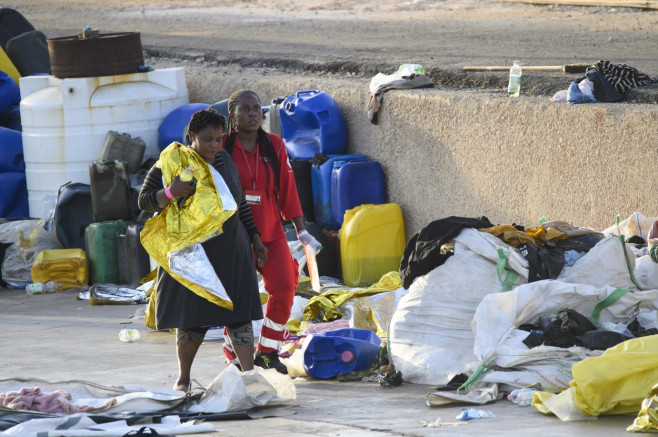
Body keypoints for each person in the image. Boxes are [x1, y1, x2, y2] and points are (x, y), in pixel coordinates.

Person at [138, 108, 267, 392]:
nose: (214, 145)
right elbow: (144, 201)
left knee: (239, 314)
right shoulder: (172, 162)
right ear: (191, 136)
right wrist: (171, 192)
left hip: (231, 248)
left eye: (219, 139)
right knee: (191, 318)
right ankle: (183, 379)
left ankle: (249, 376)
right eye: (207, 139)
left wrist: (255, 237)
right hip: (192, 254)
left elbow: (240, 202)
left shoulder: (225, 161)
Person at [222, 89, 321, 374]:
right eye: (246, 109)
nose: (254, 114)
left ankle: (267, 351)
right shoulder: (223, 146)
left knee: (285, 286)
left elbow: (288, 190)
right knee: (237, 296)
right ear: (233, 115)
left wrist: (300, 230)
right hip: (234, 236)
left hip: (271, 232)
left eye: (257, 109)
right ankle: (232, 347)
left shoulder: (274, 145)